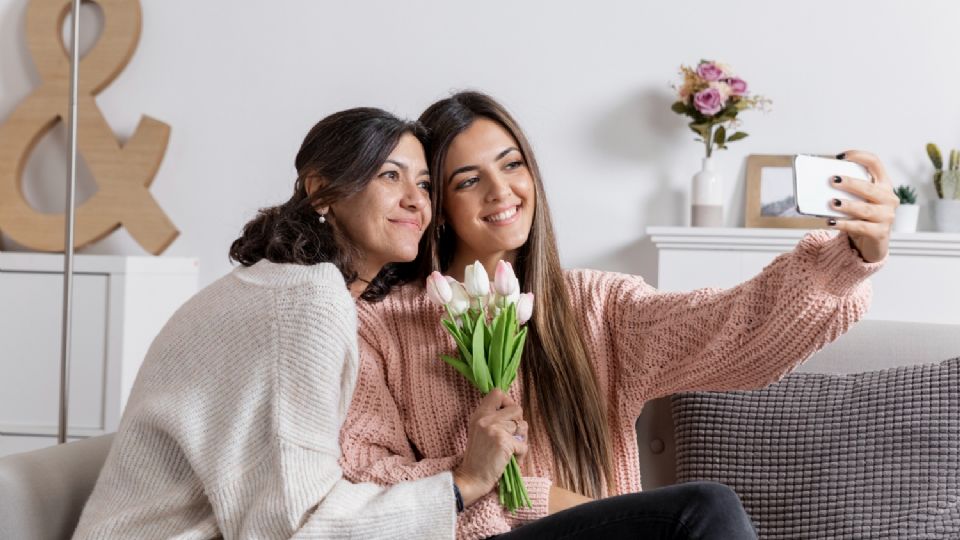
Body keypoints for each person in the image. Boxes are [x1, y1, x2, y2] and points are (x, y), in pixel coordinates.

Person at [339, 91, 898, 539]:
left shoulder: (596, 307)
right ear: (439, 208)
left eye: (512, 165)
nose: (500, 190)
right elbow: (363, 479)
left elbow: (736, 326)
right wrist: (479, 479)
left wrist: (849, 258)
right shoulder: (380, 327)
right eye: (468, 180)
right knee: (703, 508)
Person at [73, 107, 526, 539]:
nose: (415, 201)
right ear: (322, 191)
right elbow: (294, 527)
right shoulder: (308, 302)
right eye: (390, 175)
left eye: (425, 184)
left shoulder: (282, 286)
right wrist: (466, 480)